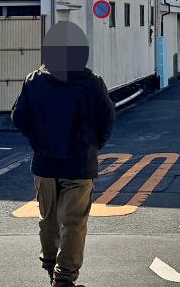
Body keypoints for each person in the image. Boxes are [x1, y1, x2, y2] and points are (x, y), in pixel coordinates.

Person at [12, 21, 116, 287]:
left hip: (45, 163)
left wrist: (37, 139)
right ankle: (65, 278)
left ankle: (50, 267)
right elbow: (106, 120)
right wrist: (93, 146)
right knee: (73, 222)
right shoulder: (92, 83)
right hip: (79, 164)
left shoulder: (34, 81)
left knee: (48, 218)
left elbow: (19, 118)